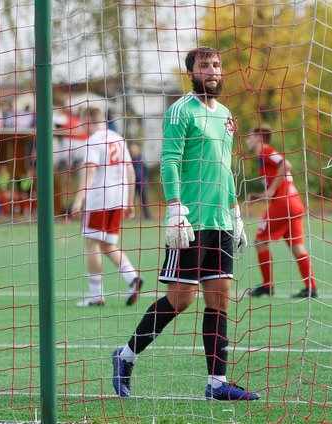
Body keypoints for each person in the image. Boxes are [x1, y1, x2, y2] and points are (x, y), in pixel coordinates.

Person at [111, 46, 258, 401]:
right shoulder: (180, 112)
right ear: (191, 72)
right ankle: (125, 356)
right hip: (189, 222)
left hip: (221, 220)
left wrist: (235, 212)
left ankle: (217, 382)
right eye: (205, 65)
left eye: (217, 65)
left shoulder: (225, 115)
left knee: (220, 297)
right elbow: (170, 162)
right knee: (180, 299)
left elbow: (224, 168)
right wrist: (175, 208)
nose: (212, 70)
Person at [71, 106, 143, 307]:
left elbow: (90, 171)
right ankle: (133, 278)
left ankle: (96, 296)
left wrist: (78, 199)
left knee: (92, 244)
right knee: (107, 244)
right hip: (118, 199)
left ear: (87, 121)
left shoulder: (93, 141)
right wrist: (129, 202)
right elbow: (131, 172)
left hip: (98, 199)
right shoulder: (118, 139)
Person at [245, 126, 317, 298]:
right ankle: (311, 288)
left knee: (260, 240)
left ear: (259, 138)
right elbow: (277, 185)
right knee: (297, 247)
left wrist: (270, 192)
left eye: (250, 137)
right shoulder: (262, 160)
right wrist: (260, 196)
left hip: (284, 204)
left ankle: (267, 286)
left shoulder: (266, 151)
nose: (247, 141)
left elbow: (286, 164)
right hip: (293, 203)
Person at [128, 142, 151, 219]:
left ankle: (147, 216)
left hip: (141, 182)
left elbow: (146, 169)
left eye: (134, 149)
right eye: (132, 149)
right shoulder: (129, 159)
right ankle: (131, 216)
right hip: (132, 183)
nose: (133, 150)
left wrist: (145, 179)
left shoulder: (141, 158)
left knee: (144, 200)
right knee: (132, 200)